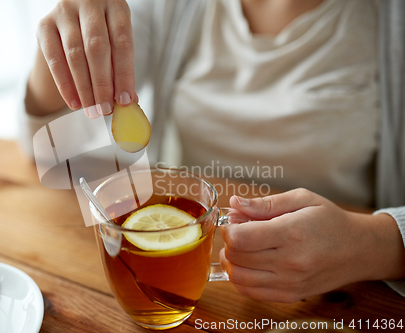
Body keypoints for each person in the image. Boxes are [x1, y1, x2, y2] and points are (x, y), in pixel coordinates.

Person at [21, 0, 405, 302]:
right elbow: (53, 154)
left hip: (352, 296)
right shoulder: (172, 6)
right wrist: (62, 40)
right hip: (182, 287)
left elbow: (378, 244)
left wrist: (374, 244)